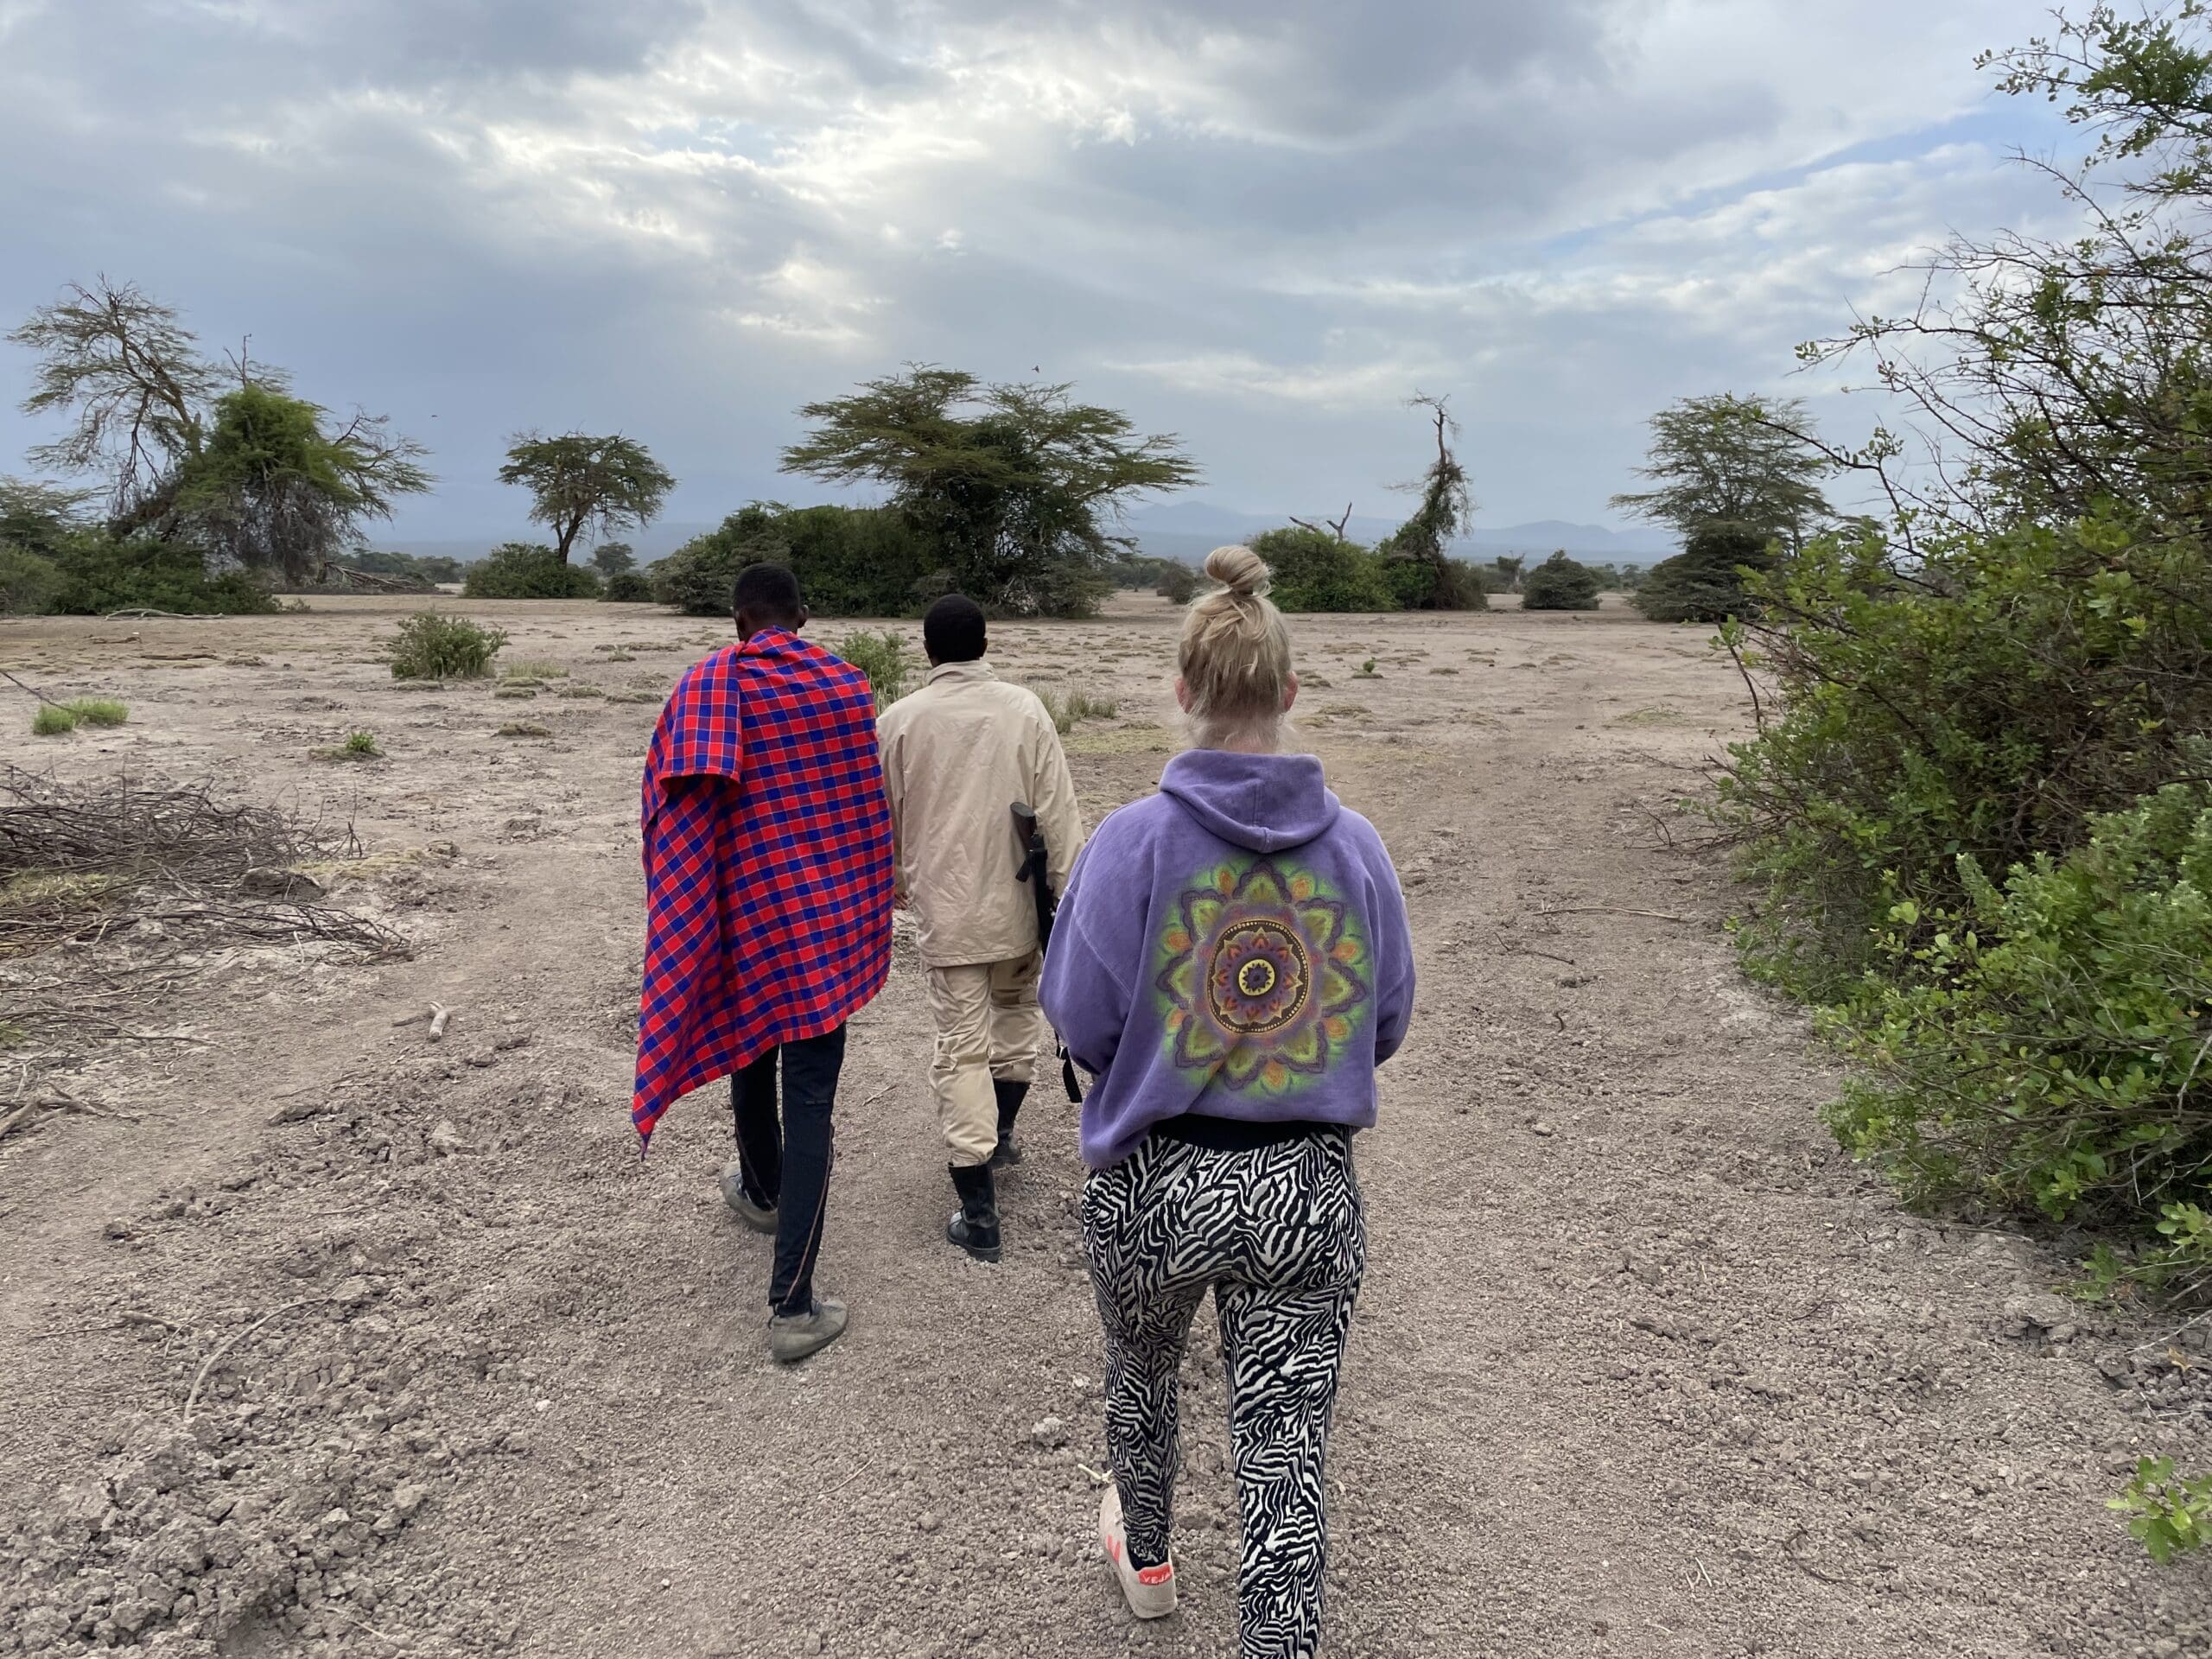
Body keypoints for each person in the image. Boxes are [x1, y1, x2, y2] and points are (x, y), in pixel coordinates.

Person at [1039, 546, 1414, 1657]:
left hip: (1152, 1179)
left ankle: (1147, 1562)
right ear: (1289, 692)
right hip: (1304, 1185)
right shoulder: (1355, 851)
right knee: (1284, 1443)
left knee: (1142, 1374)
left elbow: (1083, 1020)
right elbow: (1383, 1021)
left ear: (1181, 691)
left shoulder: (1129, 841)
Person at [633, 563, 895, 1364]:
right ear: (802, 616)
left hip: (746, 919)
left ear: (739, 619)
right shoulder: (847, 687)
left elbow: (673, 812)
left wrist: (686, 912)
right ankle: (787, 1286)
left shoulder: (709, 686)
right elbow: (862, 807)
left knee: (753, 1042)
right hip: (826, 929)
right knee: (810, 1095)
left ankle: (772, 1216)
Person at [875, 593, 1084, 1262]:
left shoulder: (898, 722)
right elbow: (1059, 816)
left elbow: (882, 824)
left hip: (947, 911)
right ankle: (1003, 1135)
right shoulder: (1024, 709)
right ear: (986, 645)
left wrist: (897, 887)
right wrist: (1068, 902)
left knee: (960, 1044)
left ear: (929, 652)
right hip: (1020, 909)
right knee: (1017, 1013)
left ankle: (979, 1207)